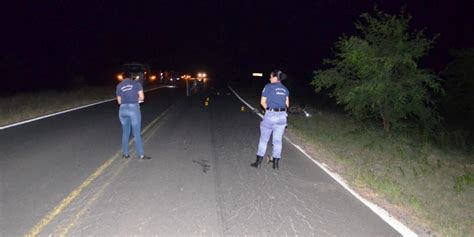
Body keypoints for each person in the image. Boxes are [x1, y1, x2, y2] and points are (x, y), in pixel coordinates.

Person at [251, 70, 289, 170]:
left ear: (275, 77)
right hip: (282, 117)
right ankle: (275, 164)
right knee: (277, 141)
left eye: (271, 77)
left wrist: (269, 110)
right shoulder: (285, 89)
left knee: (264, 139)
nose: (269, 78)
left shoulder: (268, 86)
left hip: (271, 115)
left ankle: (258, 162)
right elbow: (287, 105)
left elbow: (262, 102)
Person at [116, 72, 151, 160]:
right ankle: (141, 155)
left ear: (122, 78)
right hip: (133, 109)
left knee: (125, 132)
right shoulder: (136, 83)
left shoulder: (119, 85)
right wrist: (136, 100)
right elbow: (142, 98)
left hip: (122, 110)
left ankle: (125, 154)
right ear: (132, 77)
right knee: (136, 133)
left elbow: (119, 102)